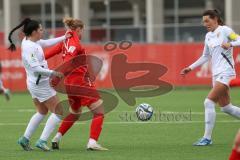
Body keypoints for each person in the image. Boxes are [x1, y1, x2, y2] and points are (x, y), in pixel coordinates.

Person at [44, 17, 107, 151]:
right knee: (99, 111)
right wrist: (57, 75)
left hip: (70, 85)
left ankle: (57, 137)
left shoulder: (65, 41)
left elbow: (49, 53)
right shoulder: (74, 43)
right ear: (78, 29)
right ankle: (92, 142)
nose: (82, 33)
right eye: (82, 30)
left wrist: (36, 59)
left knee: (75, 112)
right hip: (80, 83)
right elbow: (69, 61)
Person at [8, 18, 71, 151]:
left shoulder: (29, 41)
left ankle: (25, 139)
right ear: (34, 31)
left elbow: (46, 42)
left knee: (42, 111)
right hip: (40, 84)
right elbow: (36, 68)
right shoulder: (29, 47)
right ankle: (42, 141)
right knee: (59, 111)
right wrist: (53, 73)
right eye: (41, 29)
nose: (43, 31)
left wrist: (63, 37)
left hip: (33, 83)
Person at [181, 9, 240, 146]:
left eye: (207, 20)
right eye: (203, 21)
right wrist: (190, 68)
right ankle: (207, 138)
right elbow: (205, 56)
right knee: (226, 107)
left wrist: (231, 43)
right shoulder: (208, 36)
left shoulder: (225, 30)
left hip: (226, 73)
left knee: (208, 102)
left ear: (216, 19)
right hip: (216, 74)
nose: (205, 23)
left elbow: (239, 39)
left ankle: (207, 138)